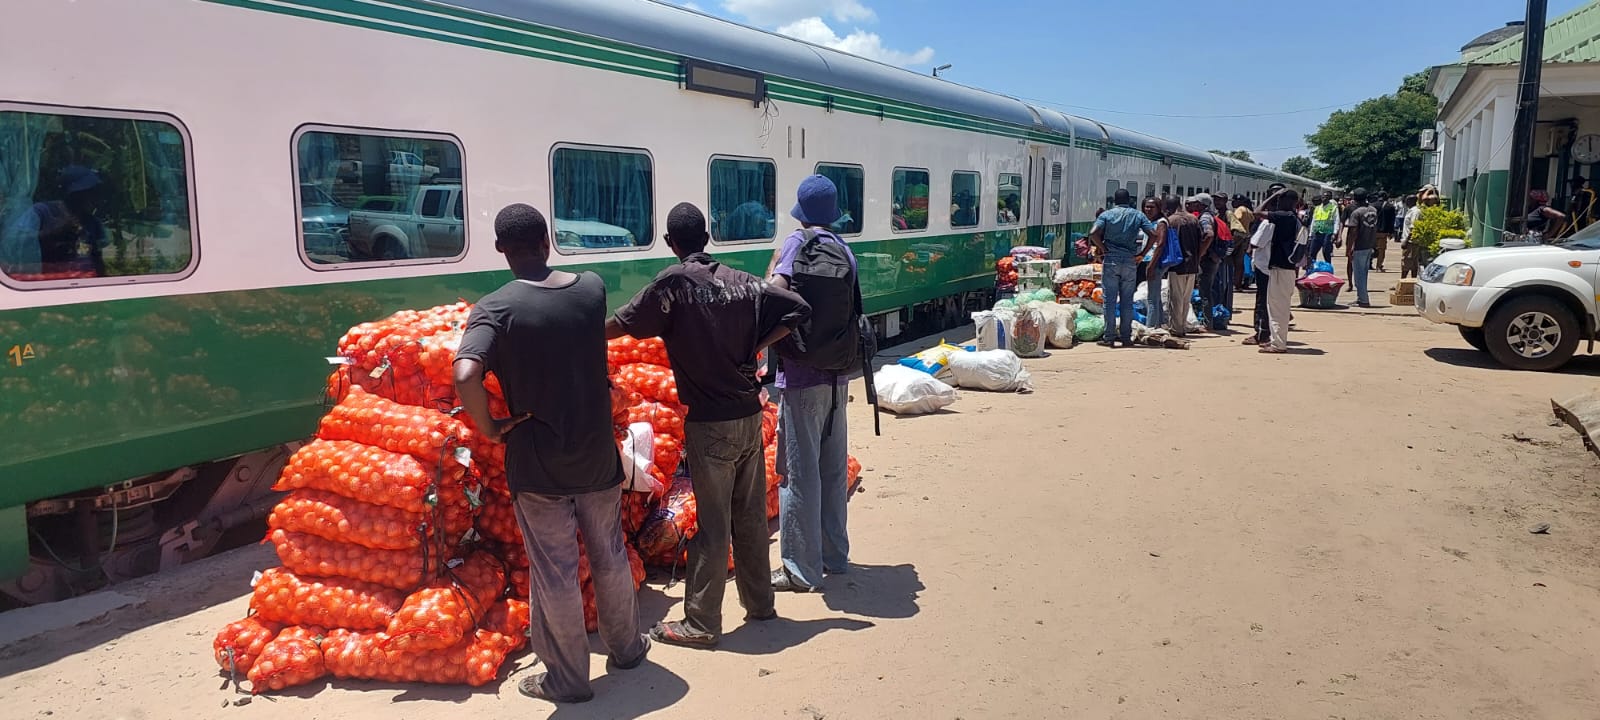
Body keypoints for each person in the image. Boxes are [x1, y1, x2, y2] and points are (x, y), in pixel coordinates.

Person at [452, 204, 648, 704]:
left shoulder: (494, 308)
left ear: (501, 251)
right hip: (597, 453)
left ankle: (566, 681)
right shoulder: (590, 288)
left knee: (556, 570)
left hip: (537, 462)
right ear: (547, 241)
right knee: (608, 553)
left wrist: (490, 427)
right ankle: (626, 649)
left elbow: (465, 375)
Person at [607, 203, 810, 648]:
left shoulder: (674, 283)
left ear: (671, 243)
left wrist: (571, 332)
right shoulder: (743, 282)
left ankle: (701, 623)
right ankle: (760, 605)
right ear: (708, 236)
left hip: (711, 423)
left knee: (714, 526)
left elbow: (619, 324)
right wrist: (757, 343)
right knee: (751, 517)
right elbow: (796, 307)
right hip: (749, 417)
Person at [769, 174, 860, 593]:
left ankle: (800, 570)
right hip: (839, 375)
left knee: (799, 473)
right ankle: (835, 557)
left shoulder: (796, 244)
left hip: (802, 376)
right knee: (831, 467)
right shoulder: (845, 250)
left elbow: (776, 295)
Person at [2, 165, 109, 277]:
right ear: (74, 194)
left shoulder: (92, 222)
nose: (94, 198)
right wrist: (54, 234)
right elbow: (15, 243)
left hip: (86, 284)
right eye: (89, 192)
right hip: (53, 283)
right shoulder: (42, 212)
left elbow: (97, 257)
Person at [1087, 188, 1157, 347]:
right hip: (1130, 261)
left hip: (1111, 260)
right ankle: (1126, 337)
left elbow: (1093, 233)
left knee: (1109, 301)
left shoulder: (1106, 215)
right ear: (1130, 200)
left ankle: (1109, 337)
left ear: (1114, 201)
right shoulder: (1138, 215)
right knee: (1127, 300)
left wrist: (1103, 248)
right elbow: (1153, 234)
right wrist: (1142, 254)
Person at [1256, 189, 1303, 354]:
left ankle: (1278, 344)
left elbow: (1256, 212)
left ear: (1285, 201)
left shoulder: (1285, 216)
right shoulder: (1294, 218)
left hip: (1281, 268)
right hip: (1287, 268)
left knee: (1277, 307)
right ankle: (1277, 341)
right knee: (1279, 306)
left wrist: (1271, 197)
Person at [1164, 196, 1205, 337]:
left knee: (1176, 298)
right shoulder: (1194, 219)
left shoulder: (1171, 221)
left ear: (1169, 207)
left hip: (1177, 265)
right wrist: (1198, 257)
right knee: (1186, 299)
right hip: (1192, 264)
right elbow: (1203, 238)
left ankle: (1177, 329)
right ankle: (1182, 326)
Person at [1192, 193, 1222, 332]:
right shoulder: (1210, 215)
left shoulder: (1204, 217)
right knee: (1206, 290)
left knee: (1205, 291)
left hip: (1207, 260)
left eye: (1196, 202)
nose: (1193, 205)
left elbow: (1208, 234)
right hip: (1212, 258)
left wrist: (1200, 253)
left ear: (1202, 204)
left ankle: (1207, 322)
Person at [1343, 189, 1378, 308]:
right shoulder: (1373, 210)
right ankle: (1361, 297)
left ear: (1355, 198)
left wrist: (1349, 248)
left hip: (1359, 246)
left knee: (1359, 275)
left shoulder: (1356, 213)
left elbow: (1353, 232)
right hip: (1369, 245)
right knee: (1364, 273)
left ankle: (1363, 300)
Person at [1141, 197, 1170, 330]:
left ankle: (1150, 327)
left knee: (1151, 298)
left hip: (1156, 262)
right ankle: (1159, 324)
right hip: (1150, 260)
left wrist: (1151, 265)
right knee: (1156, 295)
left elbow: (1161, 244)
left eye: (1152, 207)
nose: (1148, 209)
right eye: (1146, 207)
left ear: (1158, 209)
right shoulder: (1150, 222)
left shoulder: (1161, 222)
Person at [1230, 196, 1255, 291]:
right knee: (1240, 263)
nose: (1233, 202)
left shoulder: (1240, 209)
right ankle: (1238, 284)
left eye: (1234, 200)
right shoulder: (1248, 210)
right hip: (1246, 237)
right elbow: (1252, 220)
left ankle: (1232, 282)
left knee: (1230, 259)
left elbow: (1236, 219)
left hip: (1237, 236)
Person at [1399, 194, 1422, 279]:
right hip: (1410, 241)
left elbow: (1413, 227)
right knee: (1412, 263)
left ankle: (1403, 281)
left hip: (1410, 242)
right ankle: (1410, 282)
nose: (1406, 203)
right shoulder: (1411, 211)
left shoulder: (1415, 211)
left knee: (1407, 261)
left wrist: (1406, 240)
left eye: (1408, 201)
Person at [1373, 191, 1395, 272]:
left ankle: (1368, 264)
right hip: (1383, 231)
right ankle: (1378, 266)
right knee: (1381, 250)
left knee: (1370, 248)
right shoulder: (1390, 207)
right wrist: (1391, 232)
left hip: (1372, 231)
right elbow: (1392, 221)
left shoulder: (1372, 205)